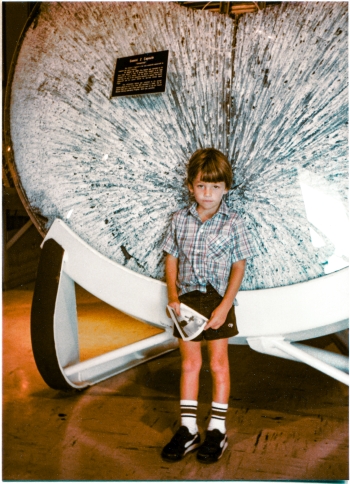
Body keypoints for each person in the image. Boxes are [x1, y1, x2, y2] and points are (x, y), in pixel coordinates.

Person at [161, 148, 257, 464]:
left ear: (226, 187)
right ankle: (188, 429)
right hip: (186, 302)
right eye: (201, 186)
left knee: (218, 364)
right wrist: (173, 297)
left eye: (215, 187)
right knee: (189, 364)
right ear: (190, 186)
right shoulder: (178, 220)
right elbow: (171, 258)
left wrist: (225, 306)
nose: (207, 193)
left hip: (217, 302)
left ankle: (217, 429)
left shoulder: (233, 222)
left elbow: (239, 266)